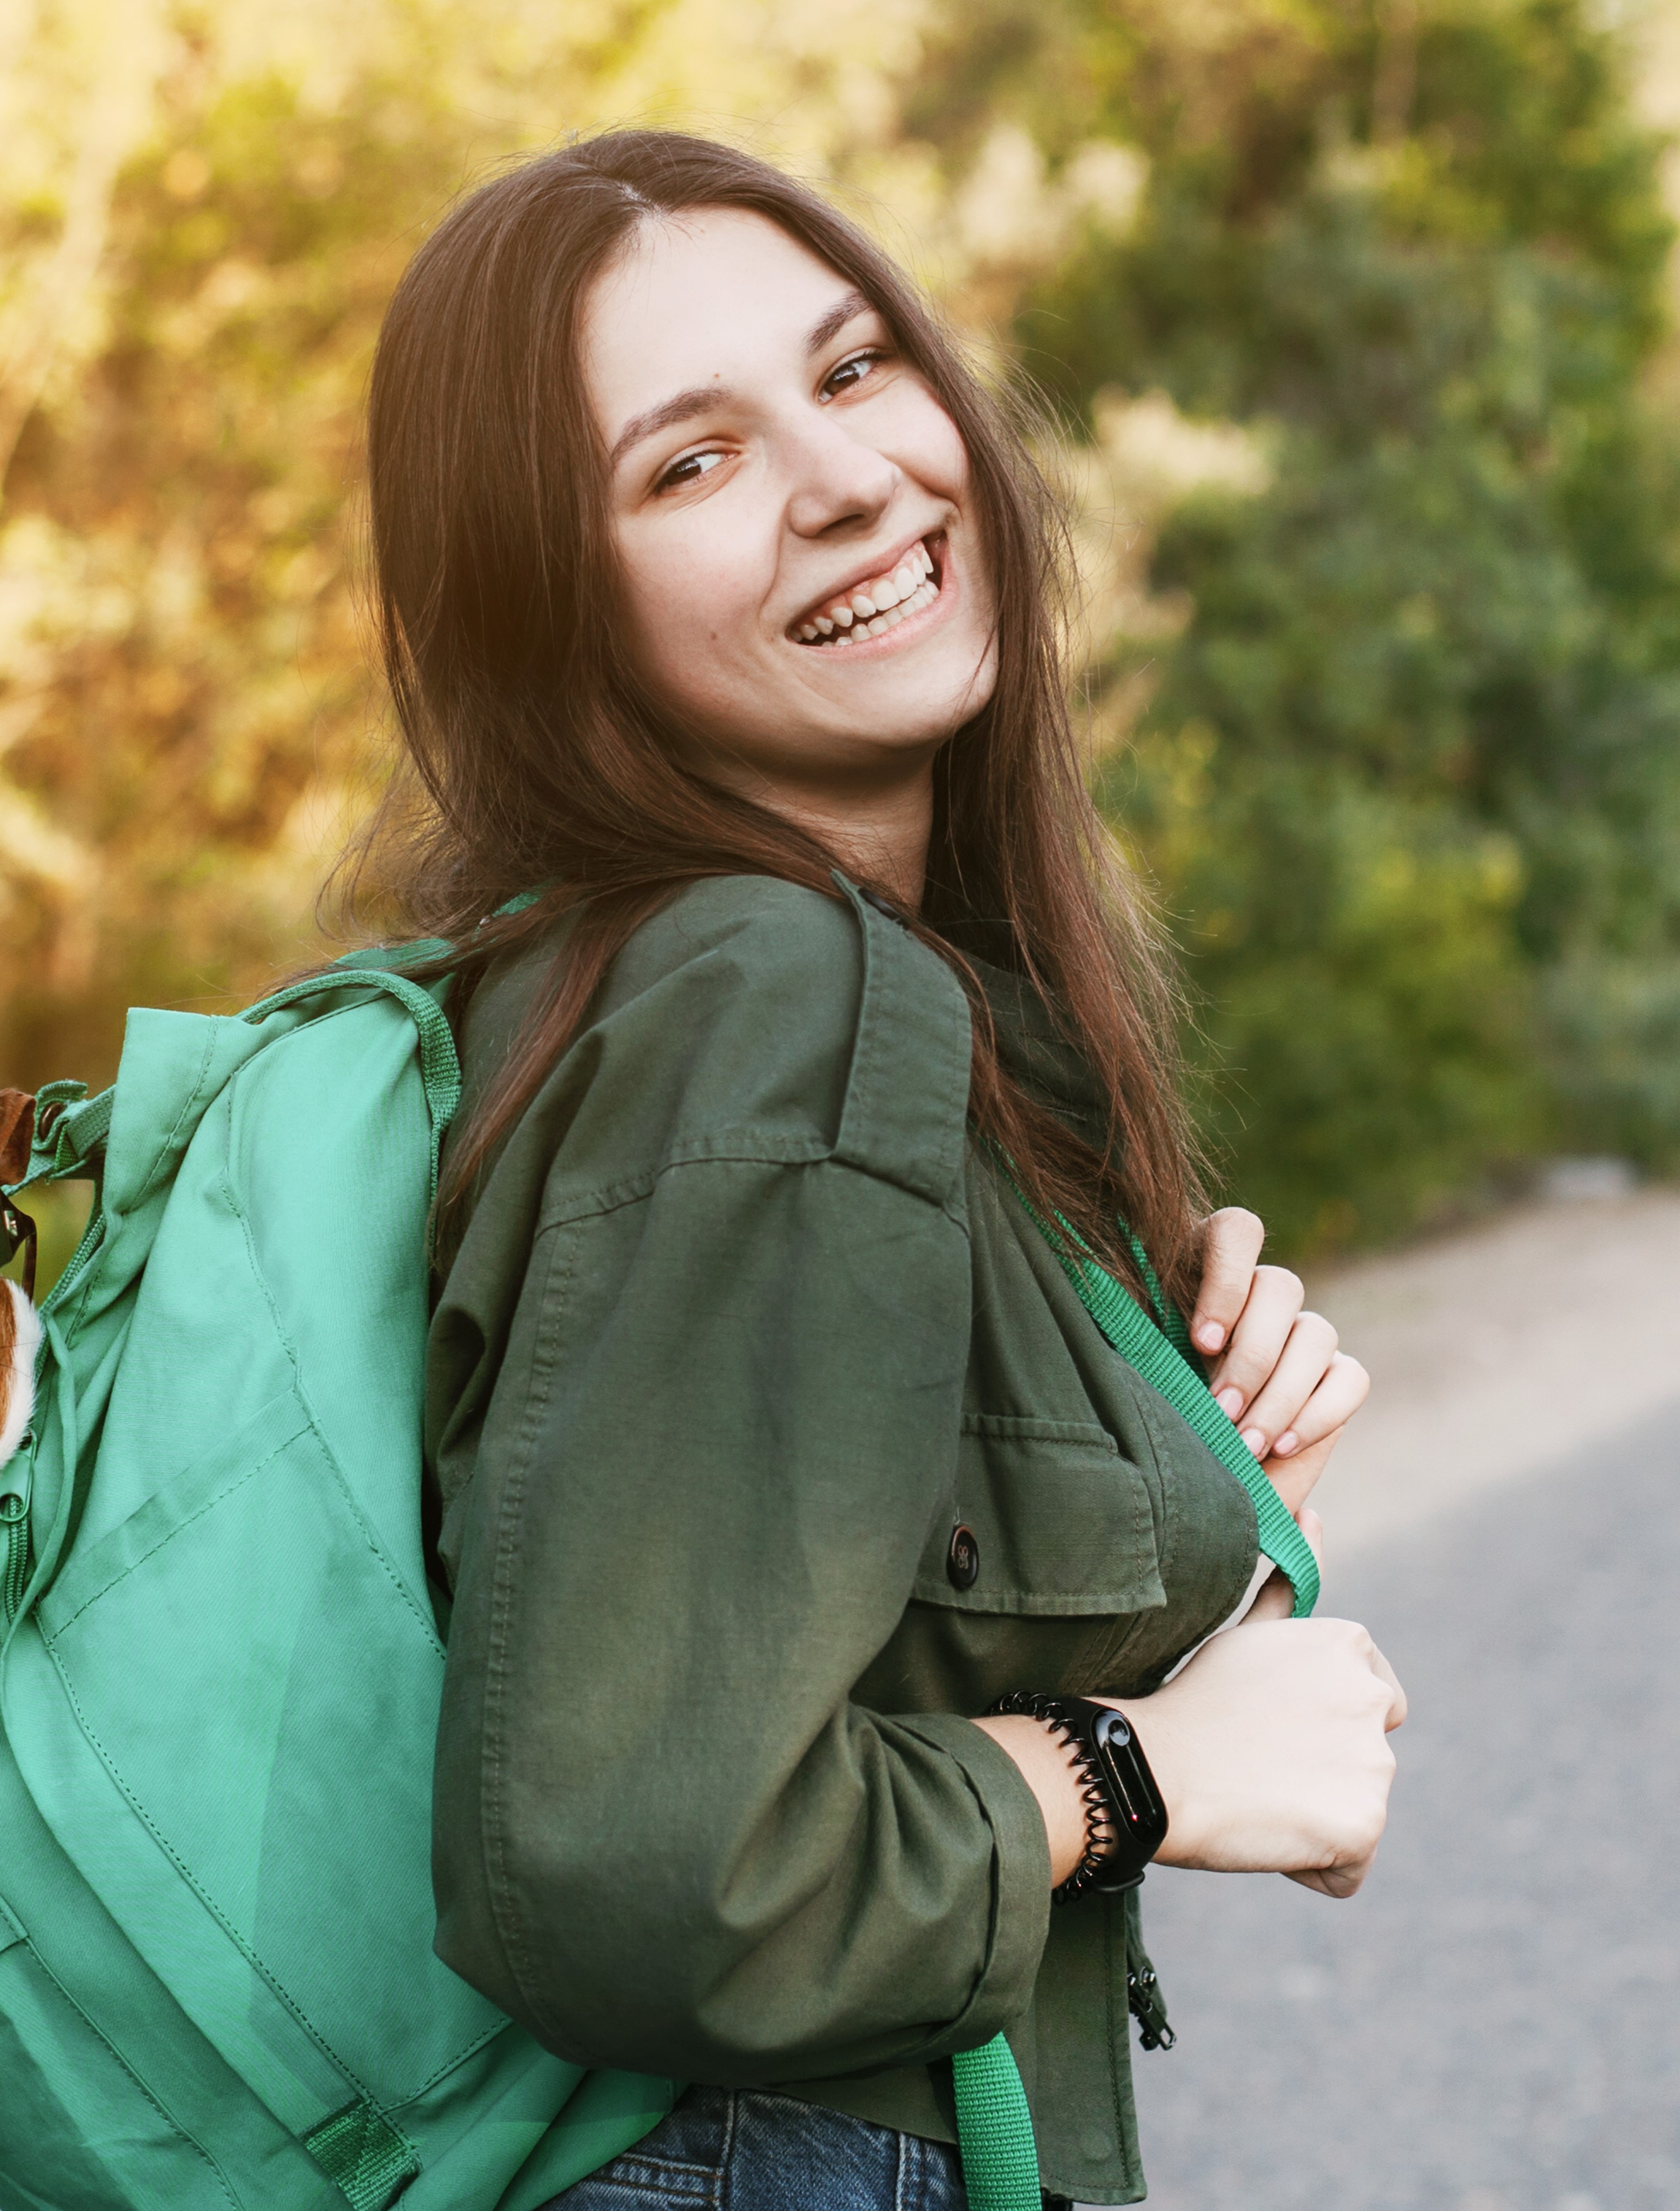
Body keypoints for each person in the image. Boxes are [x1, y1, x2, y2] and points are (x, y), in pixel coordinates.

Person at [356, 131, 1406, 2209]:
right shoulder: (773, 988)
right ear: (549, 613)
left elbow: (773, 1647)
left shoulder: (669, 991)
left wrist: (1182, 1477)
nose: (846, 481)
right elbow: (655, 1869)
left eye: (850, 374)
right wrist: (1144, 1773)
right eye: (689, 464)